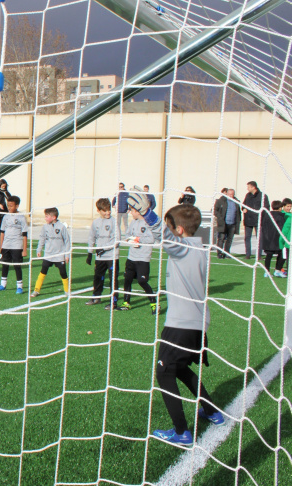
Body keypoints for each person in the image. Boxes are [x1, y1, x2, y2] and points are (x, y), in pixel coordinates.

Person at [126, 191, 224, 445]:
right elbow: (167, 236)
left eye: (171, 228)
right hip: (198, 323)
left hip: (180, 324)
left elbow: (164, 236)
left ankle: (181, 431)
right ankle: (211, 410)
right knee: (179, 367)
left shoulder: (181, 247)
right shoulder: (198, 246)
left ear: (179, 230)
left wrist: (148, 214)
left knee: (164, 373)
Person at [118, 208, 158, 314]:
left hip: (143, 258)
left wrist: (139, 240)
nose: (131, 213)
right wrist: (130, 239)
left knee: (142, 281)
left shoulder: (148, 223)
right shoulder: (133, 222)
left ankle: (154, 304)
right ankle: (126, 303)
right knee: (127, 279)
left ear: (138, 211)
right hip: (131, 257)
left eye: (132, 211)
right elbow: (127, 235)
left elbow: (151, 239)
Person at [86, 198, 121, 309]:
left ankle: (113, 301)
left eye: (109, 210)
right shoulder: (95, 223)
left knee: (113, 279)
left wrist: (104, 249)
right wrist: (90, 253)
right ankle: (96, 297)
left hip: (112, 256)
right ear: (99, 211)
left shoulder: (114, 222)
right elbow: (92, 237)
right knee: (98, 277)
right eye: (105, 210)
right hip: (100, 257)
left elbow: (117, 239)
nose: (108, 213)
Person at [30, 207, 70, 297]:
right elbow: (42, 239)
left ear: (54, 217)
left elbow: (67, 241)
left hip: (59, 255)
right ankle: (36, 290)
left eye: (47, 216)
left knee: (63, 273)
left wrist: (67, 255)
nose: (45, 218)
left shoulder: (62, 227)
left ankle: (67, 291)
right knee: (43, 271)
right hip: (48, 254)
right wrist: (39, 249)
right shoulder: (45, 227)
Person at [0, 196, 28, 294]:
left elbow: (25, 234)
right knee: (5, 264)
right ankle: (3, 284)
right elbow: (2, 232)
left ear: (17, 206)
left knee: (17, 266)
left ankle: (19, 286)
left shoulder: (22, 217)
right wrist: (1, 246)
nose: (9, 207)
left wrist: (24, 250)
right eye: (8, 205)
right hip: (6, 245)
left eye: (11, 206)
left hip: (17, 245)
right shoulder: (5, 217)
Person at [243, 181, 269, 260]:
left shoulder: (262, 196)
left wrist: (262, 217)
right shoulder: (247, 195)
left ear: (253, 187)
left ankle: (259, 255)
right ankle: (248, 254)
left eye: (248, 187)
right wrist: (243, 208)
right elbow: (244, 204)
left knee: (259, 238)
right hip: (248, 220)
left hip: (258, 220)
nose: (247, 188)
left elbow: (266, 207)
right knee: (247, 237)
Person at [261, 200, 287, 278]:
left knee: (268, 256)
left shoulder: (267, 215)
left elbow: (263, 226)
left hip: (267, 239)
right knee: (282, 254)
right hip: (277, 240)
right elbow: (282, 229)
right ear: (279, 208)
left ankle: (267, 271)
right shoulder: (281, 217)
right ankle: (277, 270)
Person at [214, 188, 240, 259]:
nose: (230, 196)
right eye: (229, 194)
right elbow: (215, 210)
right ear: (226, 194)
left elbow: (238, 213)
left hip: (232, 224)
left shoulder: (236, 202)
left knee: (229, 239)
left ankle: (227, 252)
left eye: (232, 194)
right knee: (221, 239)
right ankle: (219, 253)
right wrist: (220, 217)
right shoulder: (221, 201)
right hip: (223, 223)